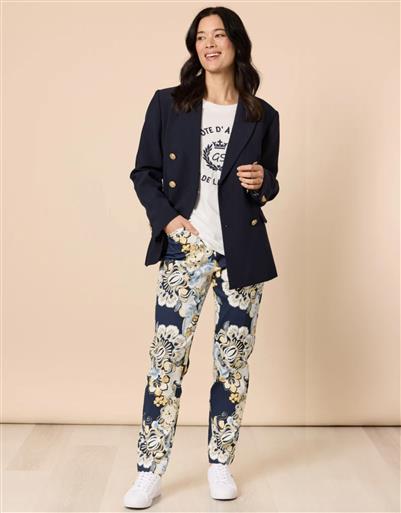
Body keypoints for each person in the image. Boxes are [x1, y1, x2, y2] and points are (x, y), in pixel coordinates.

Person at [124, 5, 280, 509]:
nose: (209, 44)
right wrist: (170, 222)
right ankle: (149, 471)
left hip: (242, 251)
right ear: (195, 47)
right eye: (200, 37)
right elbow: (144, 173)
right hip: (186, 246)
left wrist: (263, 182)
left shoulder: (262, 115)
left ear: (236, 43)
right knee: (166, 360)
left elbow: (269, 182)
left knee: (232, 364)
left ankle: (220, 464)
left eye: (218, 35)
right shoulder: (169, 104)